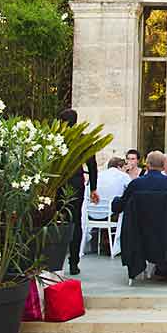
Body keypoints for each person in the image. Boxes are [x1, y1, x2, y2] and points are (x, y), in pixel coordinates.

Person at [111, 150, 167, 280]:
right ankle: (166, 269)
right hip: (164, 236)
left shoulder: (136, 184)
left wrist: (115, 200)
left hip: (139, 236)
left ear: (147, 165)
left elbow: (119, 206)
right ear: (163, 166)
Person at [57, 109, 99, 275]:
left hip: (57, 184)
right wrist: (93, 188)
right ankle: (74, 262)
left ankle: (56, 260)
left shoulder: (57, 138)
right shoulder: (83, 140)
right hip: (76, 184)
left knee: (58, 221)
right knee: (75, 222)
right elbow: (92, 166)